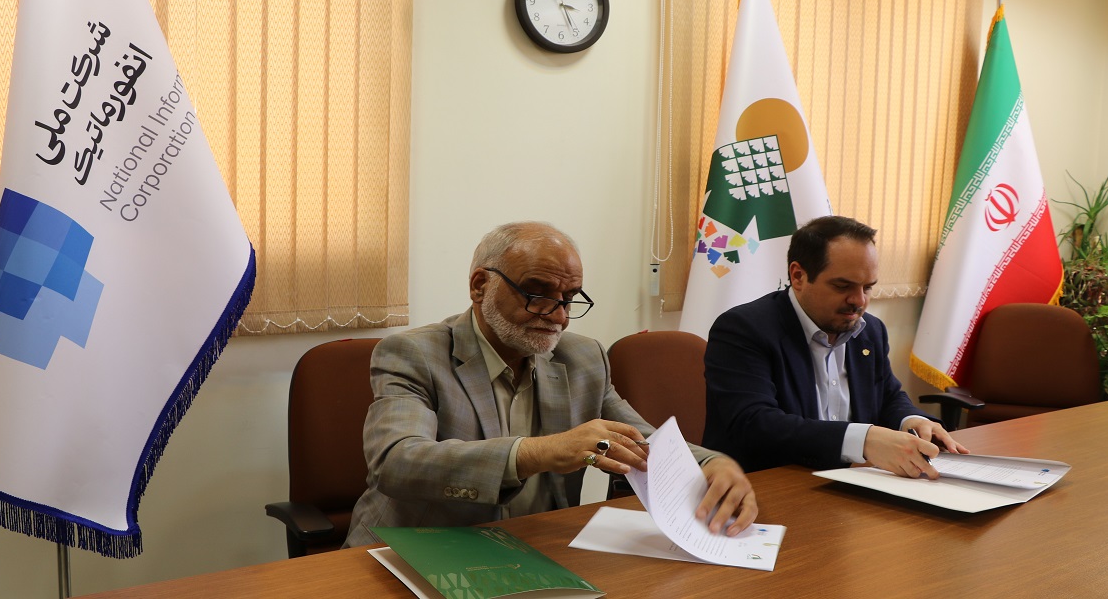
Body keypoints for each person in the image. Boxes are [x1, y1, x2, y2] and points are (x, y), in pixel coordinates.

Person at [344, 222, 757, 547]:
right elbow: (396, 461)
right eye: (537, 294)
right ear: (480, 285)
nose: (558, 316)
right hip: (423, 547)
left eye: (569, 298)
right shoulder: (414, 353)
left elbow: (641, 440)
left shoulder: (583, 357)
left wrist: (711, 463)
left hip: (535, 547)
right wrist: (539, 451)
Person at [701, 215, 969, 476]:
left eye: (868, 287)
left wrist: (912, 420)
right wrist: (863, 440)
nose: (859, 301)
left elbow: (887, 395)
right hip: (769, 483)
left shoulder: (870, 330)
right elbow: (755, 424)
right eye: (843, 286)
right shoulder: (743, 329)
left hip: (853, 480)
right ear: (798, 276)